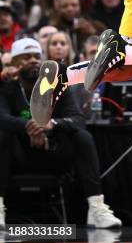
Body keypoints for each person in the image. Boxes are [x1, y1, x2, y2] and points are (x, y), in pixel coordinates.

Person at [0, 38, 121, 230]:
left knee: (83, 137)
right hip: (18, 156)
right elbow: (2, 117)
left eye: (36, 56)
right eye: (25, 57)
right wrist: (29, 126)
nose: (33, 60)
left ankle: (96, 208)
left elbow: (78, 119)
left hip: (53, 152)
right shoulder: (6, 88)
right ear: (14, 64)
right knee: (2, 134)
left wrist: (52, 124)